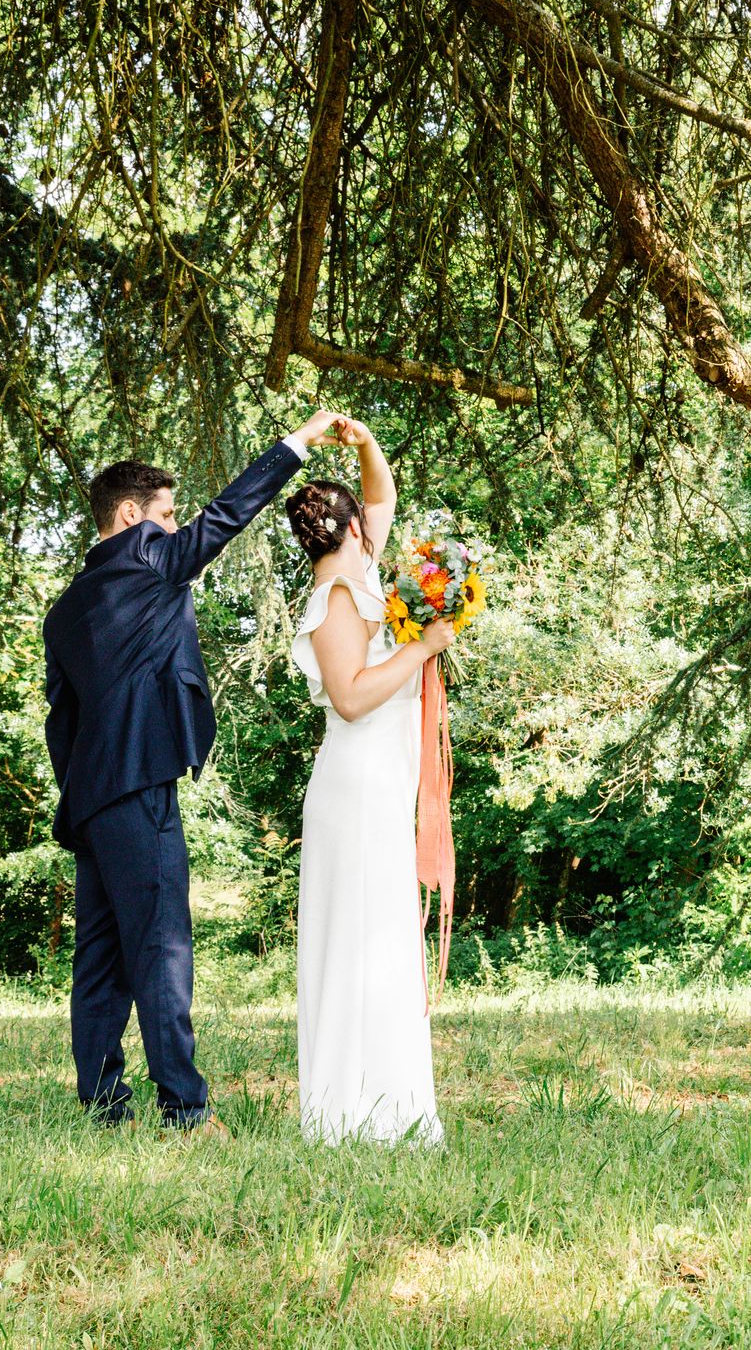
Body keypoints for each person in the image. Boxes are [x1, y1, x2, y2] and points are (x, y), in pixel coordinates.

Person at [42, 410, 341, 1134]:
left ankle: (103, 1107)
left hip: (89, 798)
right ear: (131, 516)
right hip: (141, 786)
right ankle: (184, 1108)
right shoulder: (147, 557)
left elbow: (61, 722)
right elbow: (227, 517)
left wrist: (81, 795)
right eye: (168, 514)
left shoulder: (66, 609)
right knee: (162, 950)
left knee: (99, 959)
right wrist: (298, 443)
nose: (178, 528)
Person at [286, 415, 454, 1144]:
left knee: (384, 938)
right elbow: (350, 697)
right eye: (365, 520)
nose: (375, 522)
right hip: (353, 790)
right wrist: (424, 648)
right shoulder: (337, 600)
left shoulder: (361, 577)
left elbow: (380, 496)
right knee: (358, 939)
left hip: (382, 784)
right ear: (351, 529)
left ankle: (390, 1102)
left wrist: (365, 444)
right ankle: (346, 1111)